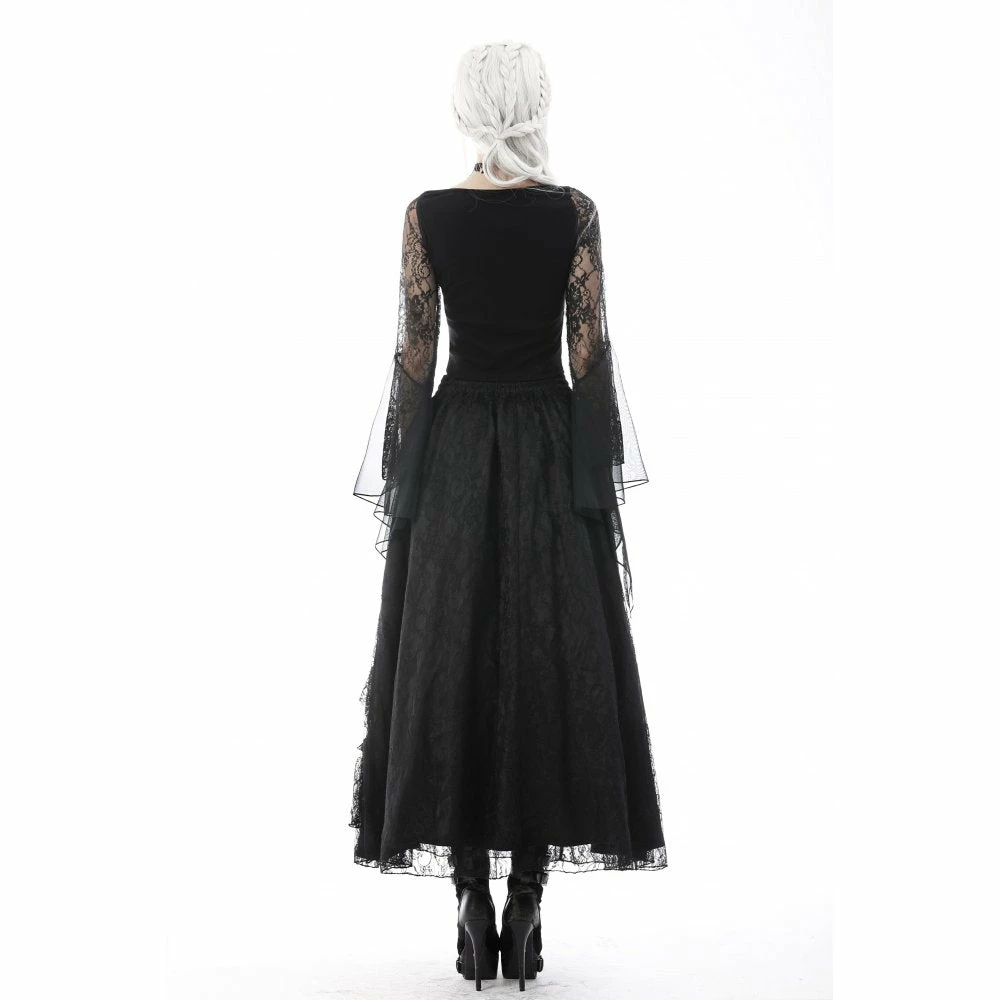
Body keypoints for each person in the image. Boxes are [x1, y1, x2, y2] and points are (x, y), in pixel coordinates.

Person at [351, 40, 667, 990]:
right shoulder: (574, 214)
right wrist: (592, 482)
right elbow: (589, 355)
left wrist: (407, 479)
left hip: (455, 451)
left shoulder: (428, 215)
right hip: (544, 453)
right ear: (536, 104)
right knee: (545, 660)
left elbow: (414, 357)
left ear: (467, 109)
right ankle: (527, 899)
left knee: (451, 656)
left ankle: (468, 897)